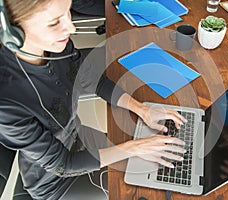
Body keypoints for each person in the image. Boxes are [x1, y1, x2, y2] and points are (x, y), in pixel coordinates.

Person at [0, 0, 187, 199]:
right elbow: (64, 164)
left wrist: (142, 109)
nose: (71, 28)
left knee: (165, 169)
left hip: (80, 138)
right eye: (54, 23)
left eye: (68, 12)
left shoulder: (56, 47)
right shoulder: (6, 102)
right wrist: (135, 148)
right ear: (12, 31)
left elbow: (93, 80)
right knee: (150, 191)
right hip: (55, 181)